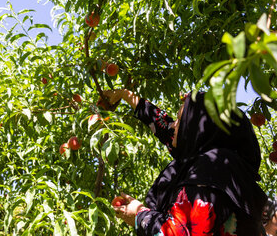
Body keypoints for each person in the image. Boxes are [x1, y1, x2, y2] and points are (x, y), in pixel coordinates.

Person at [100, 89, 267, 236]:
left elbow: (181, 233)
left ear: (197, 129)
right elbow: (163, 126)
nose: (173, 125)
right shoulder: (226, 167)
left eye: (180, 120)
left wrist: (139, 215)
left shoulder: (211, 167)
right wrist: (124, 94)